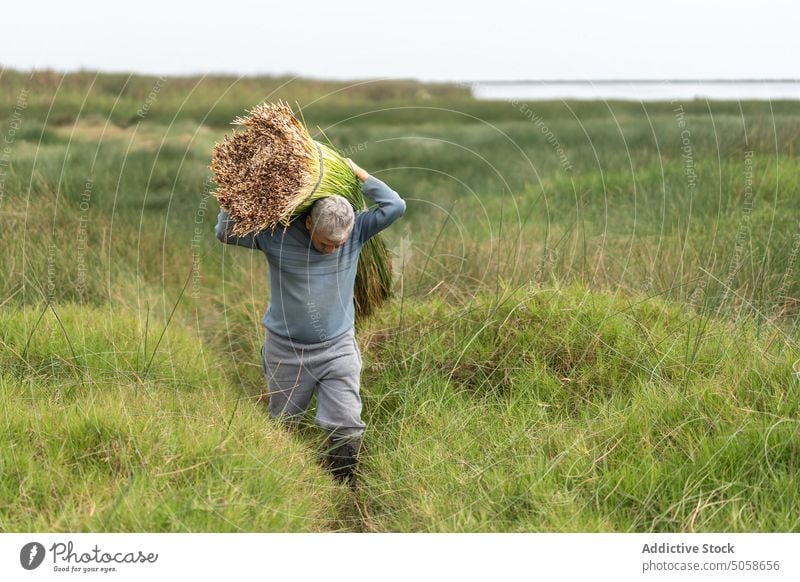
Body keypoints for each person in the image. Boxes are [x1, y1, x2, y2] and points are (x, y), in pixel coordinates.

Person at [214, 159, 406, 487]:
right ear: (307, 224)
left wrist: (358, 173)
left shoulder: (358, 229)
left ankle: (342, 485)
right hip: (286, 351)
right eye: (324, 243)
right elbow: (224, 231)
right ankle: (284, 483)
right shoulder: (276, 236)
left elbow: (395, 205)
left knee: (346, 422)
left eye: (338, 245)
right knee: (283, 422)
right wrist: (238, 187)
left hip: (338, 346)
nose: (331, 250)